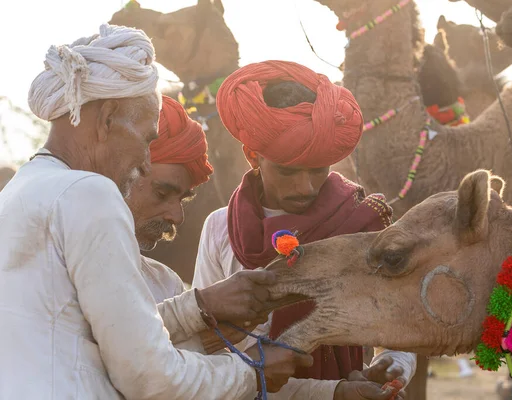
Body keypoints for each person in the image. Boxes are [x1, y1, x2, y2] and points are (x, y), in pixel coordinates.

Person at [0, 26, 311, 400]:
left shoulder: (19, 193)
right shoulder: (88, 193)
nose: (146, 163)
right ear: (108, 119)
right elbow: (150, 378)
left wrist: (198, 308)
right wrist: (253, 372)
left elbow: (84, 337)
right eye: (147, 139)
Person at [193, 60, 417, 400]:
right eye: (287, 172)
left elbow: (399, 328)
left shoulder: (360, 224)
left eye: (317, 170)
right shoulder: (219, 229)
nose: (305, 187)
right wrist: (331, 393)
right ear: (253, 155)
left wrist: (390, 367)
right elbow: (204, 346)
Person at [129, 95, 271, 351]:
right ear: (121, 173)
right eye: (162, 194)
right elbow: (109, 346)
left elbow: (182, 374)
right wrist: (199, 305)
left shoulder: (166, 284)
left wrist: (333, 392)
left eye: (182, 200)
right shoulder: (59, 260)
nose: (177, 217)